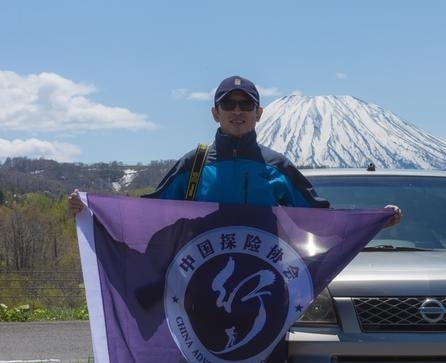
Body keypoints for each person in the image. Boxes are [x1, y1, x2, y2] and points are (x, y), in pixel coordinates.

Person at [68, 75, 402, 362]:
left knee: (261, 351)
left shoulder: (276, 167)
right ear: (216, 113)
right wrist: (90, 211)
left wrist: (374, 220)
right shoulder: (194, 165)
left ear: (259, 113)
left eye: (246, 105)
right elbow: (150, 212)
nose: (238, 112)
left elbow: (318, 216)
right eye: (229, 105)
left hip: (265, 288)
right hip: (200, 288)